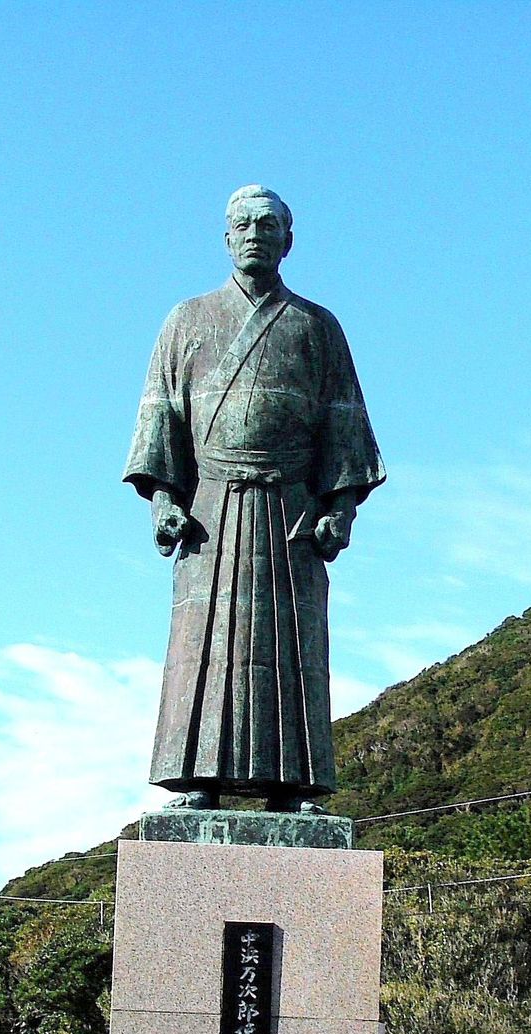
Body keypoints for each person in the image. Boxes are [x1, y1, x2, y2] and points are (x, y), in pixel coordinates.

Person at [123, 185, 384, 813]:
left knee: (293, 647)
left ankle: (293, 789)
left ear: (288, 240)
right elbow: (161, 417)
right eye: (241, 223)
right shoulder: (186, 320)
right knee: (203, 645)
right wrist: (164, 499)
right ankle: (197, 782)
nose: (255, 233)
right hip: (209, 511)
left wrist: (339, 509)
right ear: (225, 237)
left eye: (268, 224)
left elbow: (343, 422)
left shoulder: (317, 326)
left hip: (290, 508)